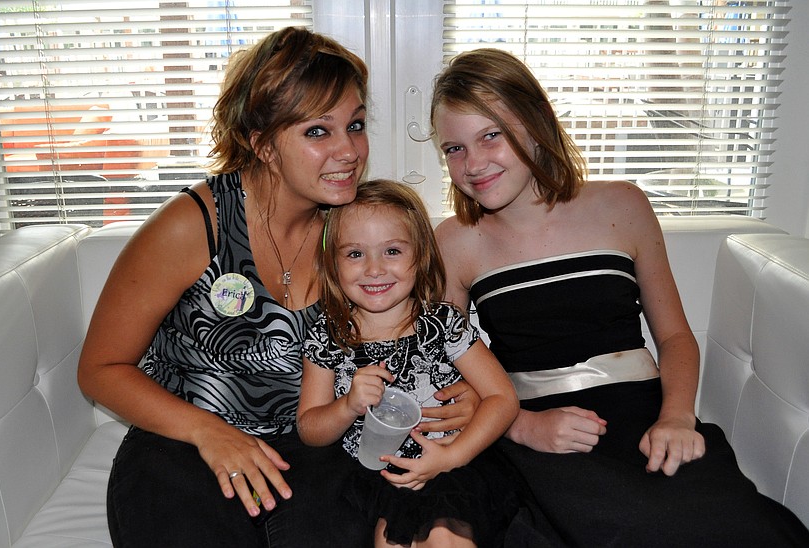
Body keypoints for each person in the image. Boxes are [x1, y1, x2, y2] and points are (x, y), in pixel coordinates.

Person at [77, 28, 477, 548]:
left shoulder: (354, 232)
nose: (349, 151)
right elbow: (100, 369)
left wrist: (462, 395)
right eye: (318, 131)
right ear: (261, 142)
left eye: (355, 125)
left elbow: (418, 335)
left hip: (313, 450)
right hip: (182, 446)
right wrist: (208, 432)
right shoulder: (196, 225)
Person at [430, 48, 809, 547]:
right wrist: (522, 427)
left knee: (736, 529)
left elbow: (674, 337)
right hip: (536, 436)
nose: (473, 163)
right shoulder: (453, 241)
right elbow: (444, 374)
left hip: (646, 419)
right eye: (454, 149)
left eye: (490, 136)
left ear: (536, 122)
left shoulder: (622, 204)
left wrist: (677, 417)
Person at [296, 179, 520, 548]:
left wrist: (450, 457)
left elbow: (502, 398)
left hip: (453, 465)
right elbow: (309, 428)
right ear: (332, 263)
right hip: (374, 476)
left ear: (421, 255)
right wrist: (347, 405)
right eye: (355, 254)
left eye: (392, 251)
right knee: (391, 539)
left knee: (446, 536)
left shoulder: (443, 323)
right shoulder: (328, 334)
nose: (374, 269)